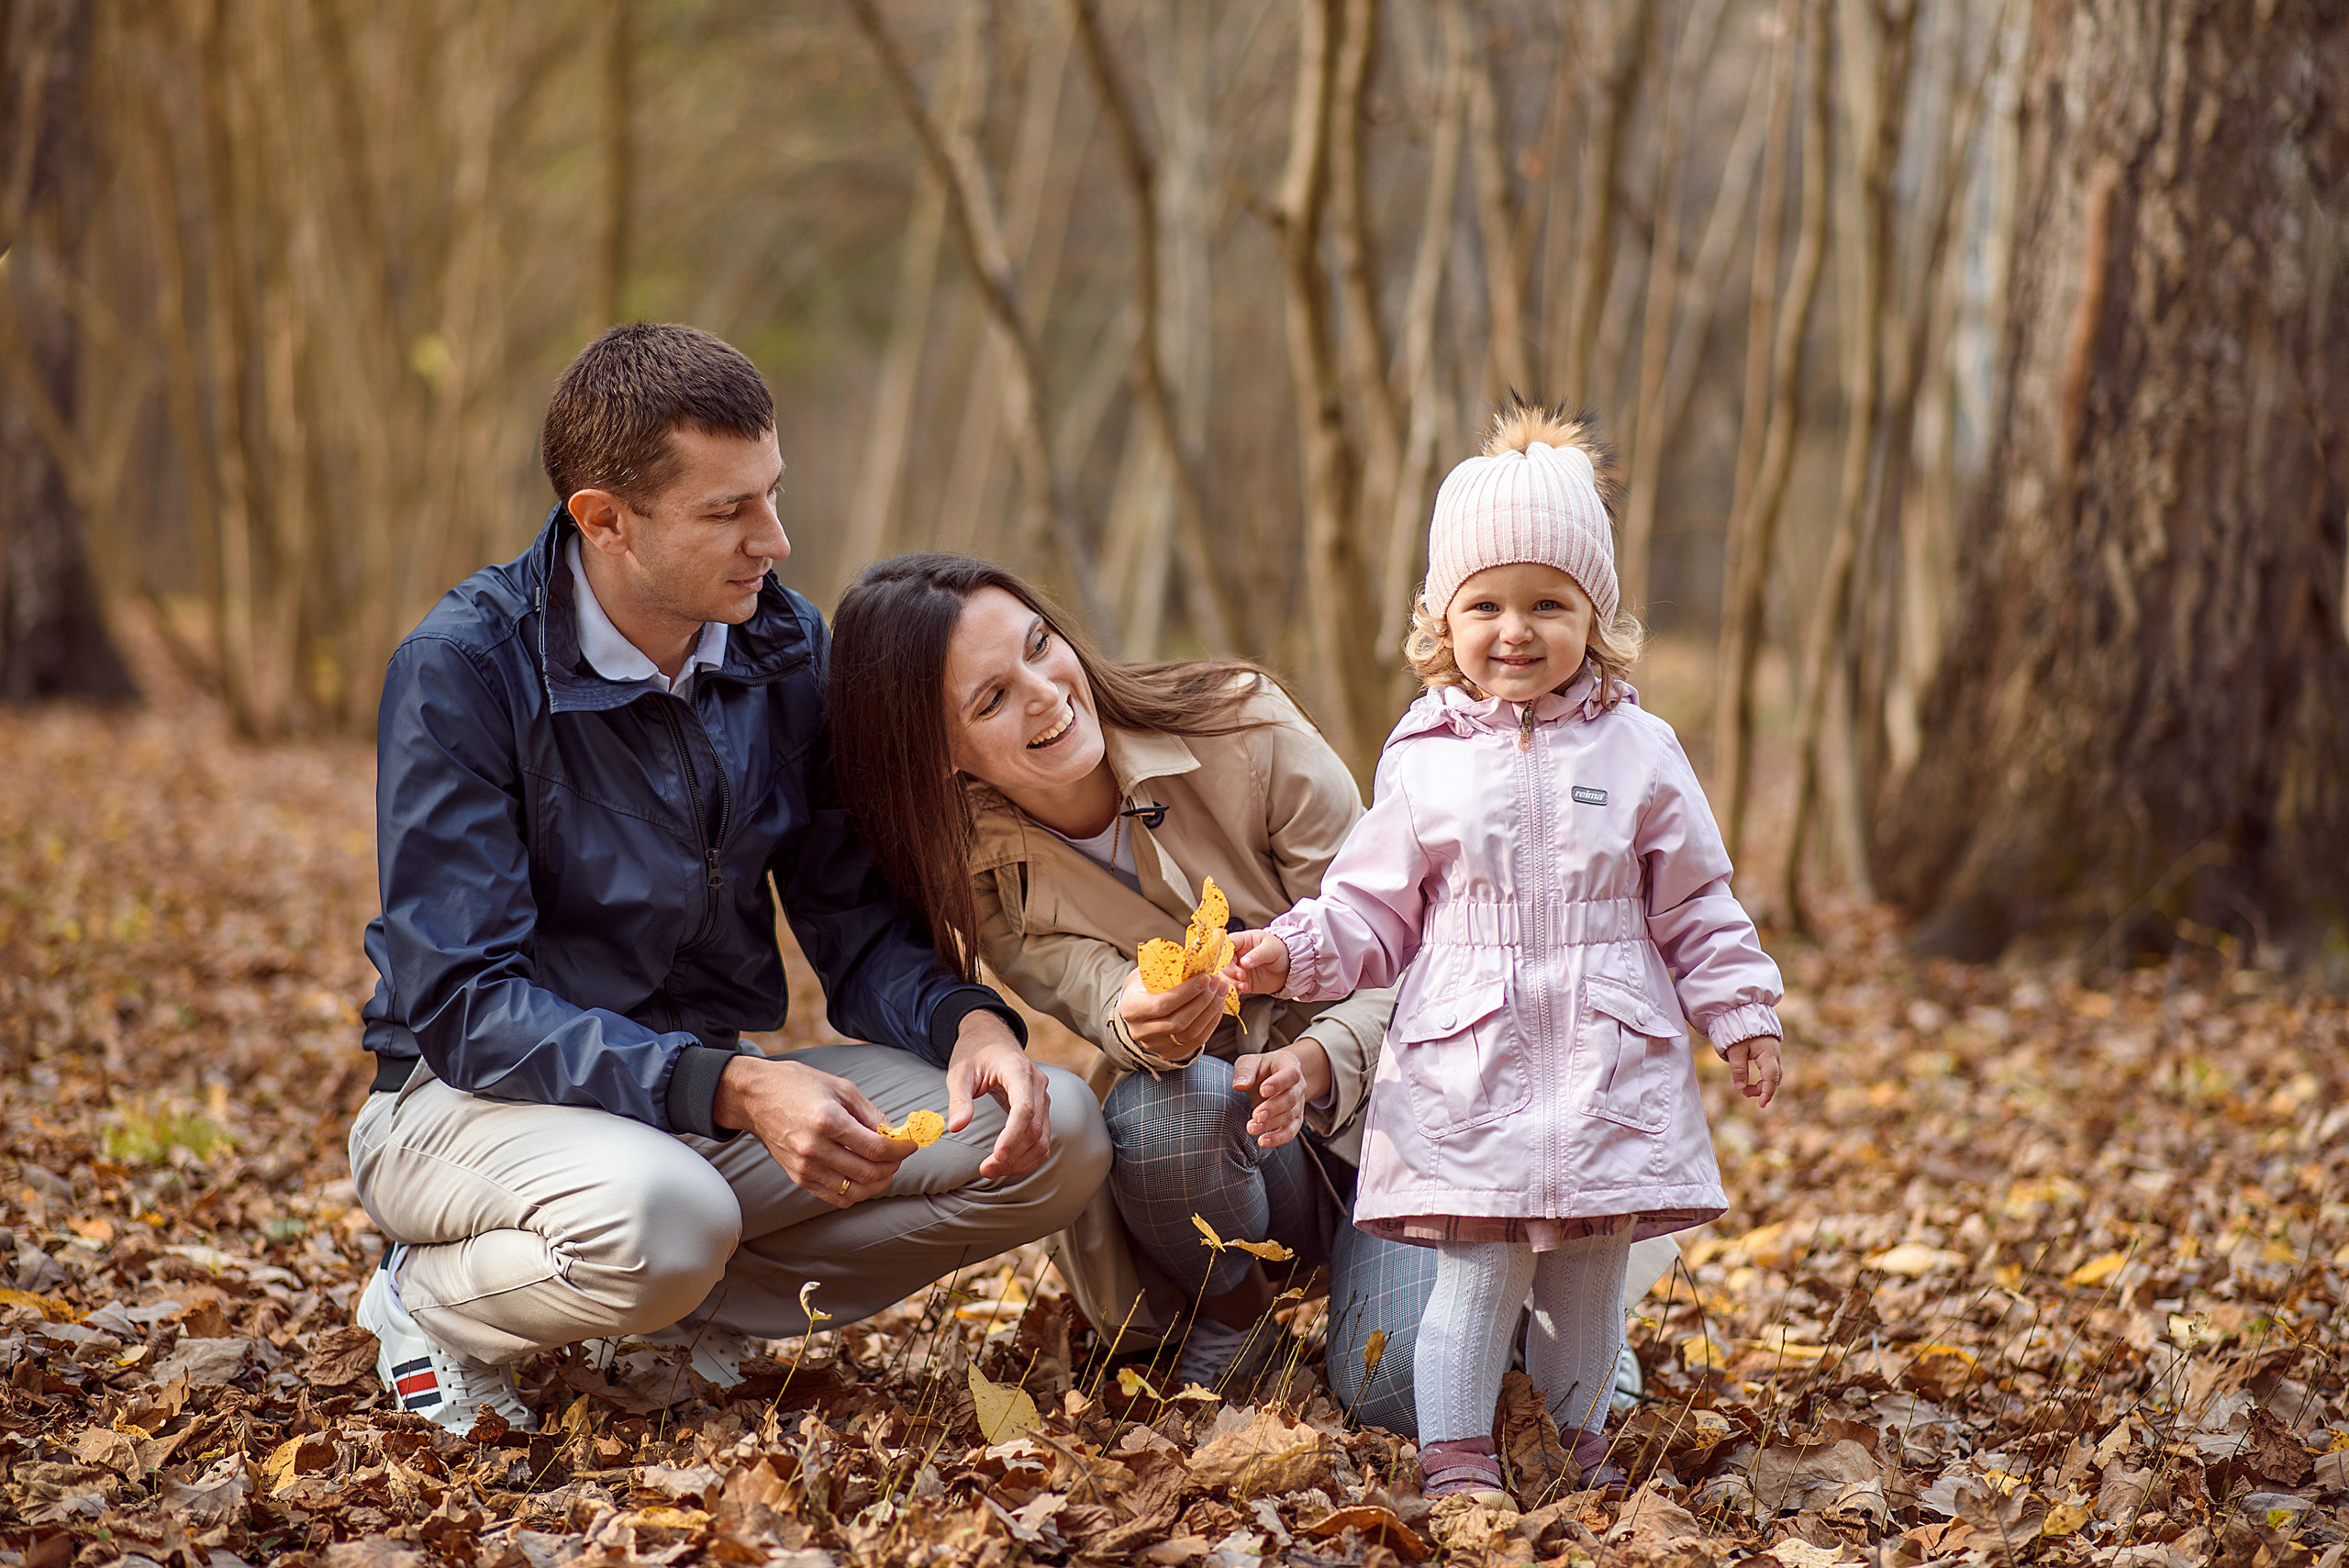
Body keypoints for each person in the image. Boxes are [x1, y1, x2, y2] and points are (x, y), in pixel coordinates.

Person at [346, 325, 1109, 1435]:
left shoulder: (782, 650)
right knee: (672, 1215)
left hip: (687, 1110)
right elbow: (467, 1002)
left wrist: (968, 1022)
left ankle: (663, 1314)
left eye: (772, 494)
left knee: (1057, 1133)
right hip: (459, 1102)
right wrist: (736, 1085)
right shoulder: (464, 669)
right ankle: (428, 1300)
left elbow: (850, 913)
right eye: (726, 512)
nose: (775, 538)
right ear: (602, 519)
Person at [1230, 400, 1787, 1503]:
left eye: (1548, 603)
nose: (1516, 630)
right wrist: (1287, 955)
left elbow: (1695, 902)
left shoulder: (1640, 747)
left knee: (1586, 1280)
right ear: (1445, 618)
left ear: (1597, 614)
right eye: (1485, 604)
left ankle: (1578, 1454)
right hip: (1467, 1063)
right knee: (1475, 1278)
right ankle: (1458, 1460)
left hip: (1607, 1057)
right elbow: (1368, 910)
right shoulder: (1425, 753)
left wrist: (1741, 1012)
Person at [825, 553, 1434, 1418]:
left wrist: (1317, 1056)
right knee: (1158, 1111)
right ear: (941, 754)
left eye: (1041, 644)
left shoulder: (1242, 724)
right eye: (990, 698)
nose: (1044, 691)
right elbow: (1096, 993)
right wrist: (1138, 1021)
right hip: (1244, 1151)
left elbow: (1408, 947)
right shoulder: (984, 870)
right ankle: (1235, 1320)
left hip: (1400, 1120)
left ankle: (1542, 1311)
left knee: (1395, 1389)